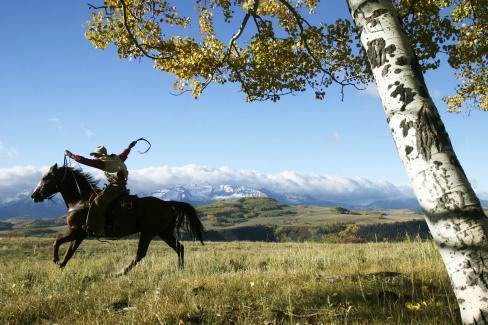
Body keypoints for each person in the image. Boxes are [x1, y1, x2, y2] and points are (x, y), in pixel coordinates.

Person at [64, 140, 137, 237]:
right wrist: (129, 147)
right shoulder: (117, 158)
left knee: (97, 201)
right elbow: (124, 154)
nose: (94, 157)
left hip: (115, 187)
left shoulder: (102, 162)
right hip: (122, 186)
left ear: (99, 155)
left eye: (95, 155)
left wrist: (70, 155)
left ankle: (94, 226)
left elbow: (84, 161)